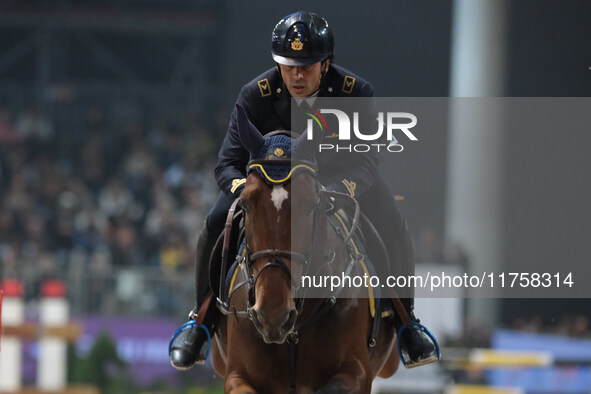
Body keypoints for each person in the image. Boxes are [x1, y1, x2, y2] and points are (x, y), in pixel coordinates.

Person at [169, 10, 438, 370]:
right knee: (214, 223)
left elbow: (370, 156)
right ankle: (200, 321)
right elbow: (227, 163)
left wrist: (340, 187)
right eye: (288, 64)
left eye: (306, 65)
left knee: (393, 225)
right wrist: (246, 190)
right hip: (269, 188)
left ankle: (407, 323)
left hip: (342, 181)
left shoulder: (355, 93)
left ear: (326, 64)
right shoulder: (255, 95)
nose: (296, 74)